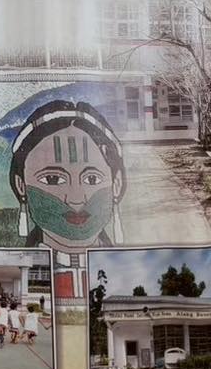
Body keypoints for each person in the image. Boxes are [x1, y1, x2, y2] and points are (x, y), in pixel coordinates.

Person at [8, 101, 126, 301]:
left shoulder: (129, 271)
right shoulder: (17, 272)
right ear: (21, 185)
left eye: (92, 179)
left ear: (116, 183)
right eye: (52, 179)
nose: (76, 199)